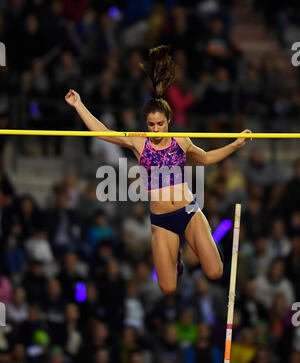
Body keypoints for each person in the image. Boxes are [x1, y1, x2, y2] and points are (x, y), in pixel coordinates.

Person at [65, 45, 252, 295]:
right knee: (167, 287)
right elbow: (103, 132)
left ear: (169, 121)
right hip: (162, 221)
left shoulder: (181, 142)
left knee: (215, 272)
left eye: (160, 124)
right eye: (151, 125)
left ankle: (207, 242)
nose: (155, 129)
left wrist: (236, 144)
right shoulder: (138, 141)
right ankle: (177, 259)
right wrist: (79, 105)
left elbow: (205, 159)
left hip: (188, 210)